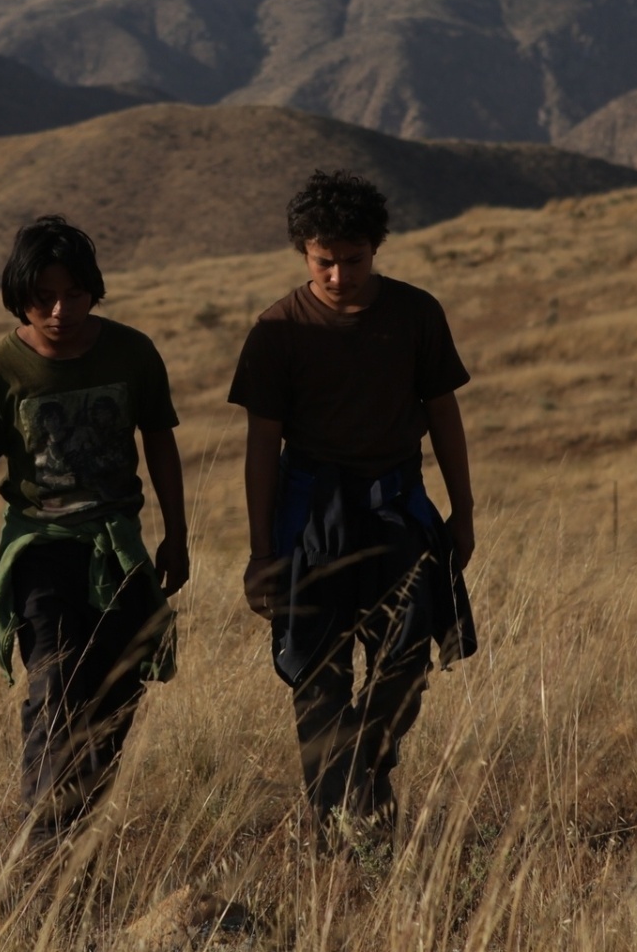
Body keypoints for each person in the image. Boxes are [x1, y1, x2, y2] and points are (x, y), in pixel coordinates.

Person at [227, 170, 477, 852]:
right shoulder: (277, 330)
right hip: (309, 516)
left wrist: (462, 513)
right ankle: (341, 838)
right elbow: (261, 446)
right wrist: (261, 553)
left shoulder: (416, 313)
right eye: (324, 261)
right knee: (318, 678)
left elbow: (444, 414)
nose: (339, 275)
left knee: (407, 662)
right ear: (303, 254)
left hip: (396, 506)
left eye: (354, 259)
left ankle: (361, 770)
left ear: (377, 247)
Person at [0, 215, 190, 846]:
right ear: (19, 296)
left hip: (117, 548)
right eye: (44, 297)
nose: (60, 310)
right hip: (40, 551)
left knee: (117, 695)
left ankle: (78, 842)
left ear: (93, 291)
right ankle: (40, 849)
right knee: (56, 690)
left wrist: (177, 535)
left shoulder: (132, 353)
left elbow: (160, 442)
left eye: (75, 294)